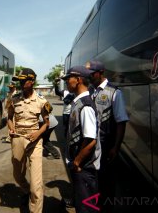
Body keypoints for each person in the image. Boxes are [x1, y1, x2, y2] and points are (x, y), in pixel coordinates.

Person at [86, 60, 129, 212]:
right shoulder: (91, 90)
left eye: (92, 74)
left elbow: (121, 122)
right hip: (92, 145)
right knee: (94, 180)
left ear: (101, 72)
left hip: (106, 145)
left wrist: (116, 147)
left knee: (107, 182)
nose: (89, 77)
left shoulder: (114, 92)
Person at [7, 68, 52, 213]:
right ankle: (26, 191)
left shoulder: (41, 101)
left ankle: (35, 209)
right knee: (17, 175)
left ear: (32, 81)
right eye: (19, 80)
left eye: (23, 80)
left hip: (35, 141)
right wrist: (11, 128)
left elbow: (46, 123)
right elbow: (9, 118)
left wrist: (37, 133)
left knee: (36, 184)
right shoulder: (13, 99)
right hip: (18, 139)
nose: (20, 83)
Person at [61, 66, 101, 213]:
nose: (66, 82)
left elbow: (91, 140)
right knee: (82, 204)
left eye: (68, 79)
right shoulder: (78, 102)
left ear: (78, 80)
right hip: (80, 165)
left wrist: (77, 162)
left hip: (84, 167)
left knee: (87, 207)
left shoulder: (85, 106)